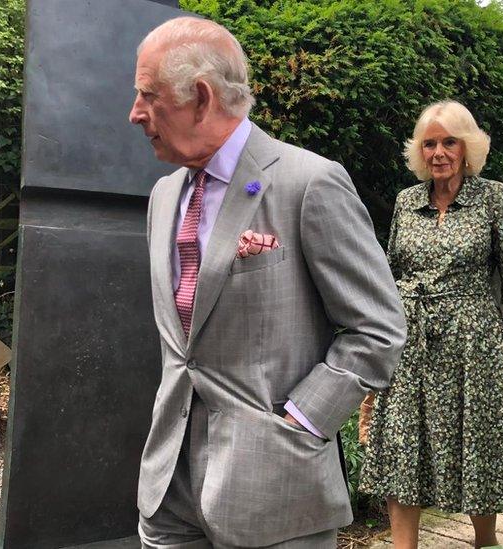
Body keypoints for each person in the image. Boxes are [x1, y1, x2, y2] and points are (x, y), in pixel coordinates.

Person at [129, 17, 408, 548]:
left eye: (148, 95)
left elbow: (378, 329)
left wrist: (302, 421)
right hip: (168, 483)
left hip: (274, 486)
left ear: (201, 98)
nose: (135, 113)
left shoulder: (309, 182)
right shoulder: (164, 196)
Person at [357, 100, 503, 549]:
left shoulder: (493, 197)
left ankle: (485, 540)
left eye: (449, 142)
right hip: (410, 337)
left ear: (467, 148)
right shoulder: (406, 201)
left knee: (476, 437)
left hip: (472, 337)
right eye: (430, 143)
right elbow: (391, 272)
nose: (438, 152)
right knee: (404, 442)